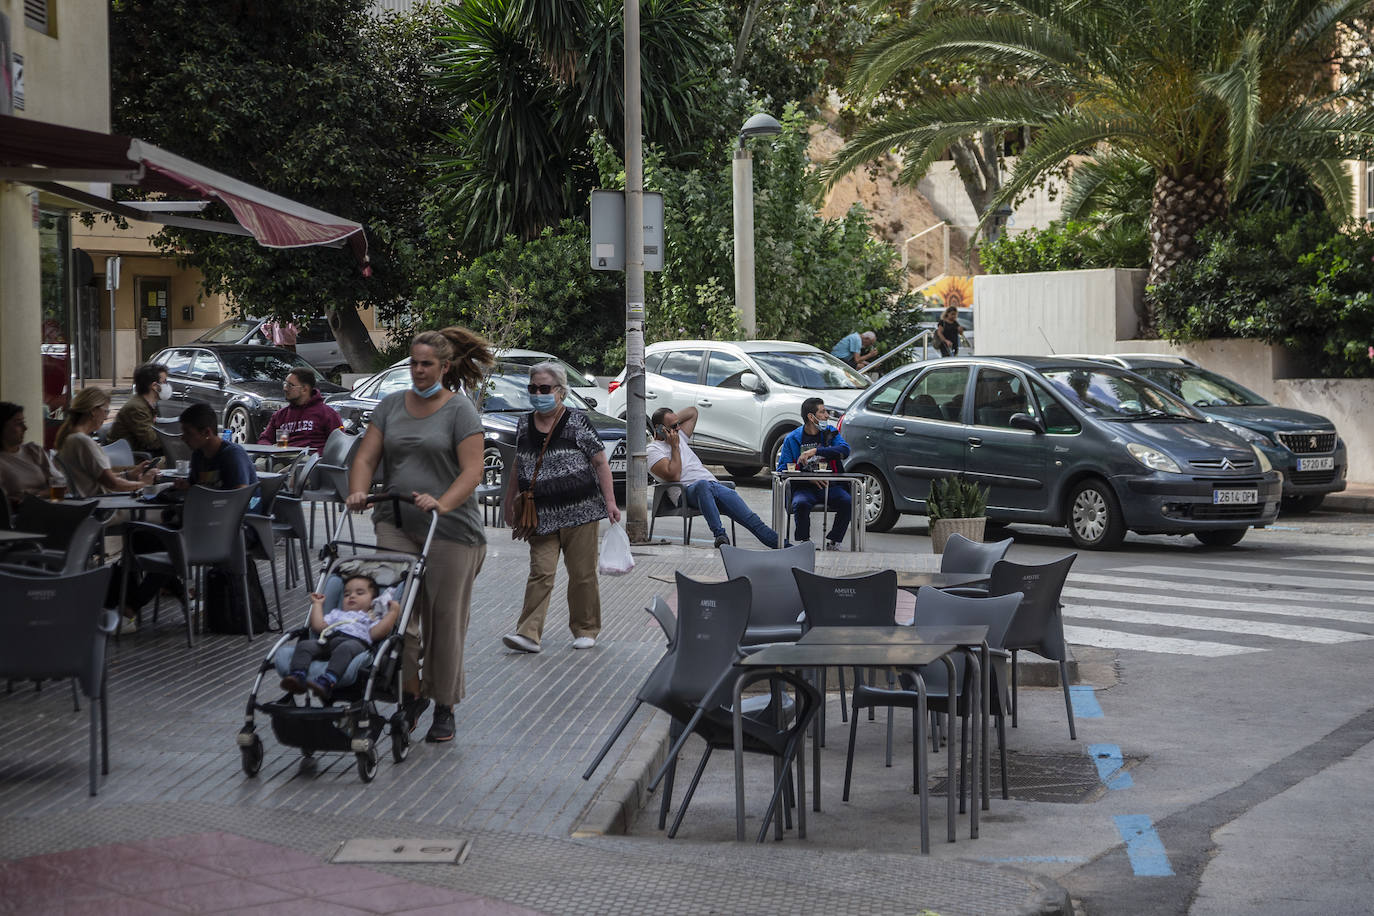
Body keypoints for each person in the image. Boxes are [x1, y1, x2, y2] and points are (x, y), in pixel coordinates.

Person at [346, 327, 492, 745]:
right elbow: (366, 456)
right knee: (396, 617)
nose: (419, 370)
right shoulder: (390, 406)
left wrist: (443, 503)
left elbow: (472, 471)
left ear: (445, 367)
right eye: (413, 363)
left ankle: (443, 705)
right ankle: (411, 697)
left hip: (449, 529)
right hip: (395, 523)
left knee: (443, 624)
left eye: (427, 364)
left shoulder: (459, 409)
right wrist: (358, 490)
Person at [500, 362, 620, 655]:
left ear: (561, 391)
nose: (537, 394)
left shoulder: (577, 422)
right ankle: (528, 633)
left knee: (582, 574)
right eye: (533, 389)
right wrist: (509, 499)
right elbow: (519, 464)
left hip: (580, 512)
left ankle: (585, 628)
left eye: (544, 389)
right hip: (540, 515)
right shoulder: (524, 425)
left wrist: (611, 502)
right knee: (540, 572)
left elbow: (600, 461)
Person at [647, 405, 780, 549]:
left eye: (678, 424)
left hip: (713, 485)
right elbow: (674, 475)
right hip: (686, 492)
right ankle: (720, 535)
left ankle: (785, 546)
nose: (678, 428)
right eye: (673, 426)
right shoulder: (653, 450)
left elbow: (692, 412)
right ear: (659, 428)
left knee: (752, 520)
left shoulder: (679, 438)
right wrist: (674, 447)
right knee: (703, 485)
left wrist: (672, 424)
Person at [280, 574, 401, 702]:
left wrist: (392, 613)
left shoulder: (371, 618)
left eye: (359, 593)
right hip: (330, 640)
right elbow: (318, 626)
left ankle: (328, 680)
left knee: (345, 648)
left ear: (373, 600)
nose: (352, 596)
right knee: (305, 645)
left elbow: (377, 633)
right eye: (347, 594)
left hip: (356, 643)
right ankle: (297, 676)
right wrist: (317, 604)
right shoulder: (336, 614)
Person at [775, 397, 853, 551]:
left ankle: (834, 541)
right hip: (805, 487)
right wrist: (809, 479)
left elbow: (845, 450)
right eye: (822, 412)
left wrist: (816, 451)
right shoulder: (793, 439)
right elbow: (783, 468)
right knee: (800, 503)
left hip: (829, 485)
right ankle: (805, 542)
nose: (827, 415)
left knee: (847, 501)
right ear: (811, 417)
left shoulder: (830, 433)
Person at [56, 388, 158, 497]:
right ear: (93, 411)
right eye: (106, 411)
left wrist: (130, 474)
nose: (106, 417)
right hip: (101, 507)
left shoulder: (71, 438)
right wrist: (144, 484)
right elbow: (112, 483)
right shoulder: (82, 442)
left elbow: (102, 477)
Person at [177, 403, 259, 494]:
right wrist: (186, 487)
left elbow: (240, 496)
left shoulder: (232, 454)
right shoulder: (198, 455)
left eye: (188, 433)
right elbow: (195, 488)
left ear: (207, 432)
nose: (183, 438)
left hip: (239, 507)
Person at [257, 366, 342, 451]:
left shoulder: (327, 414)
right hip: (282, 459)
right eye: (285, 384)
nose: (285, 388)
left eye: (290, 385)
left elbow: (340, 444)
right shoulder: (281, 415)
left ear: (305, 389)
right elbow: (265, 439)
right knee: (258, 463)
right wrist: (269, 448)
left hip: (311, 460)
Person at [0, 401, 62, 504]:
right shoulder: (2, 461)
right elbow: (7, 503)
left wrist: (36, 495)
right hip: (21, 516)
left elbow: (60, 487)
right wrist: (46, 493)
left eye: (23, 422)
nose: (25, 428)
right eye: (18, 423)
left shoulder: (33, 450)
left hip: (51, 507)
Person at [109, 362, 170, 456]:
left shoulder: (148, 404)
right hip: (129, 457)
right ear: (154, 386)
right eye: (165, 382)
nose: (167, 385)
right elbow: (152, 441)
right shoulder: (136, 408)